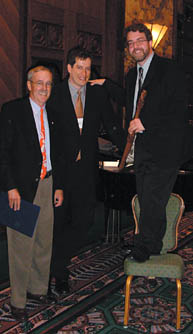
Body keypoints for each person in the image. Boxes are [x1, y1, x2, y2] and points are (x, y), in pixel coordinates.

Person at [90, 22, 189, 262]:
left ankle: (144, 247)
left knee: (153, 199)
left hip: (165, 148)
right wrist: (106, 84)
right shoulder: (132, 74)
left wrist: (146, 123)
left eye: (140, 41)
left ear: (150, 42)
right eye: (131, 43)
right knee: (147, 198)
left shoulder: (169, 69)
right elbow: (130, 100)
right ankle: (153, 243)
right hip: (143, 149)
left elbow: (178, 111)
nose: (136, 46)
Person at [48, 46, 126, 296]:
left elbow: (112, 125)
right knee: (59, 223)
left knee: (84, 222)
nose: (84, 73)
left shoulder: (96, 94)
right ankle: (59, 274)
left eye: (88, 68)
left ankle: (54, 261)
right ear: (69, 68)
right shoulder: (54, 93)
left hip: (86, 172)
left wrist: (128, 150)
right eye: (79, 67)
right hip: (60, 171)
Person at [0, 65, 63, 322]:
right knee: (20, 246)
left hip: (47, 185)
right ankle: (17, 301)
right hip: (21, 189)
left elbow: (56, 153)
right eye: (39, 83)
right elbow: (2, 152)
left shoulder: (53, 113)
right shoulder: (12, 110)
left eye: (48, 84)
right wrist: (10, 187)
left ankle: (38, 289)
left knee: (43, 242)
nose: (44, 88)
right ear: (28, 85)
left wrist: (58, 185)